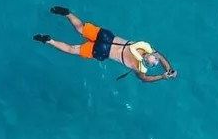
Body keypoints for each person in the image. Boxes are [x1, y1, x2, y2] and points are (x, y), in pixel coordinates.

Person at [32, 6, 177, 83]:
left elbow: (160, 56)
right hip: (103, 50)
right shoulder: (139, 68)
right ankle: (49, 41)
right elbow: (145, 79)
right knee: (71, 49)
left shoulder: (145, 47)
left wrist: (170, 69)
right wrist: (162, 76)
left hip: (108, 37)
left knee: (80, 28)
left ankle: (66, 13)